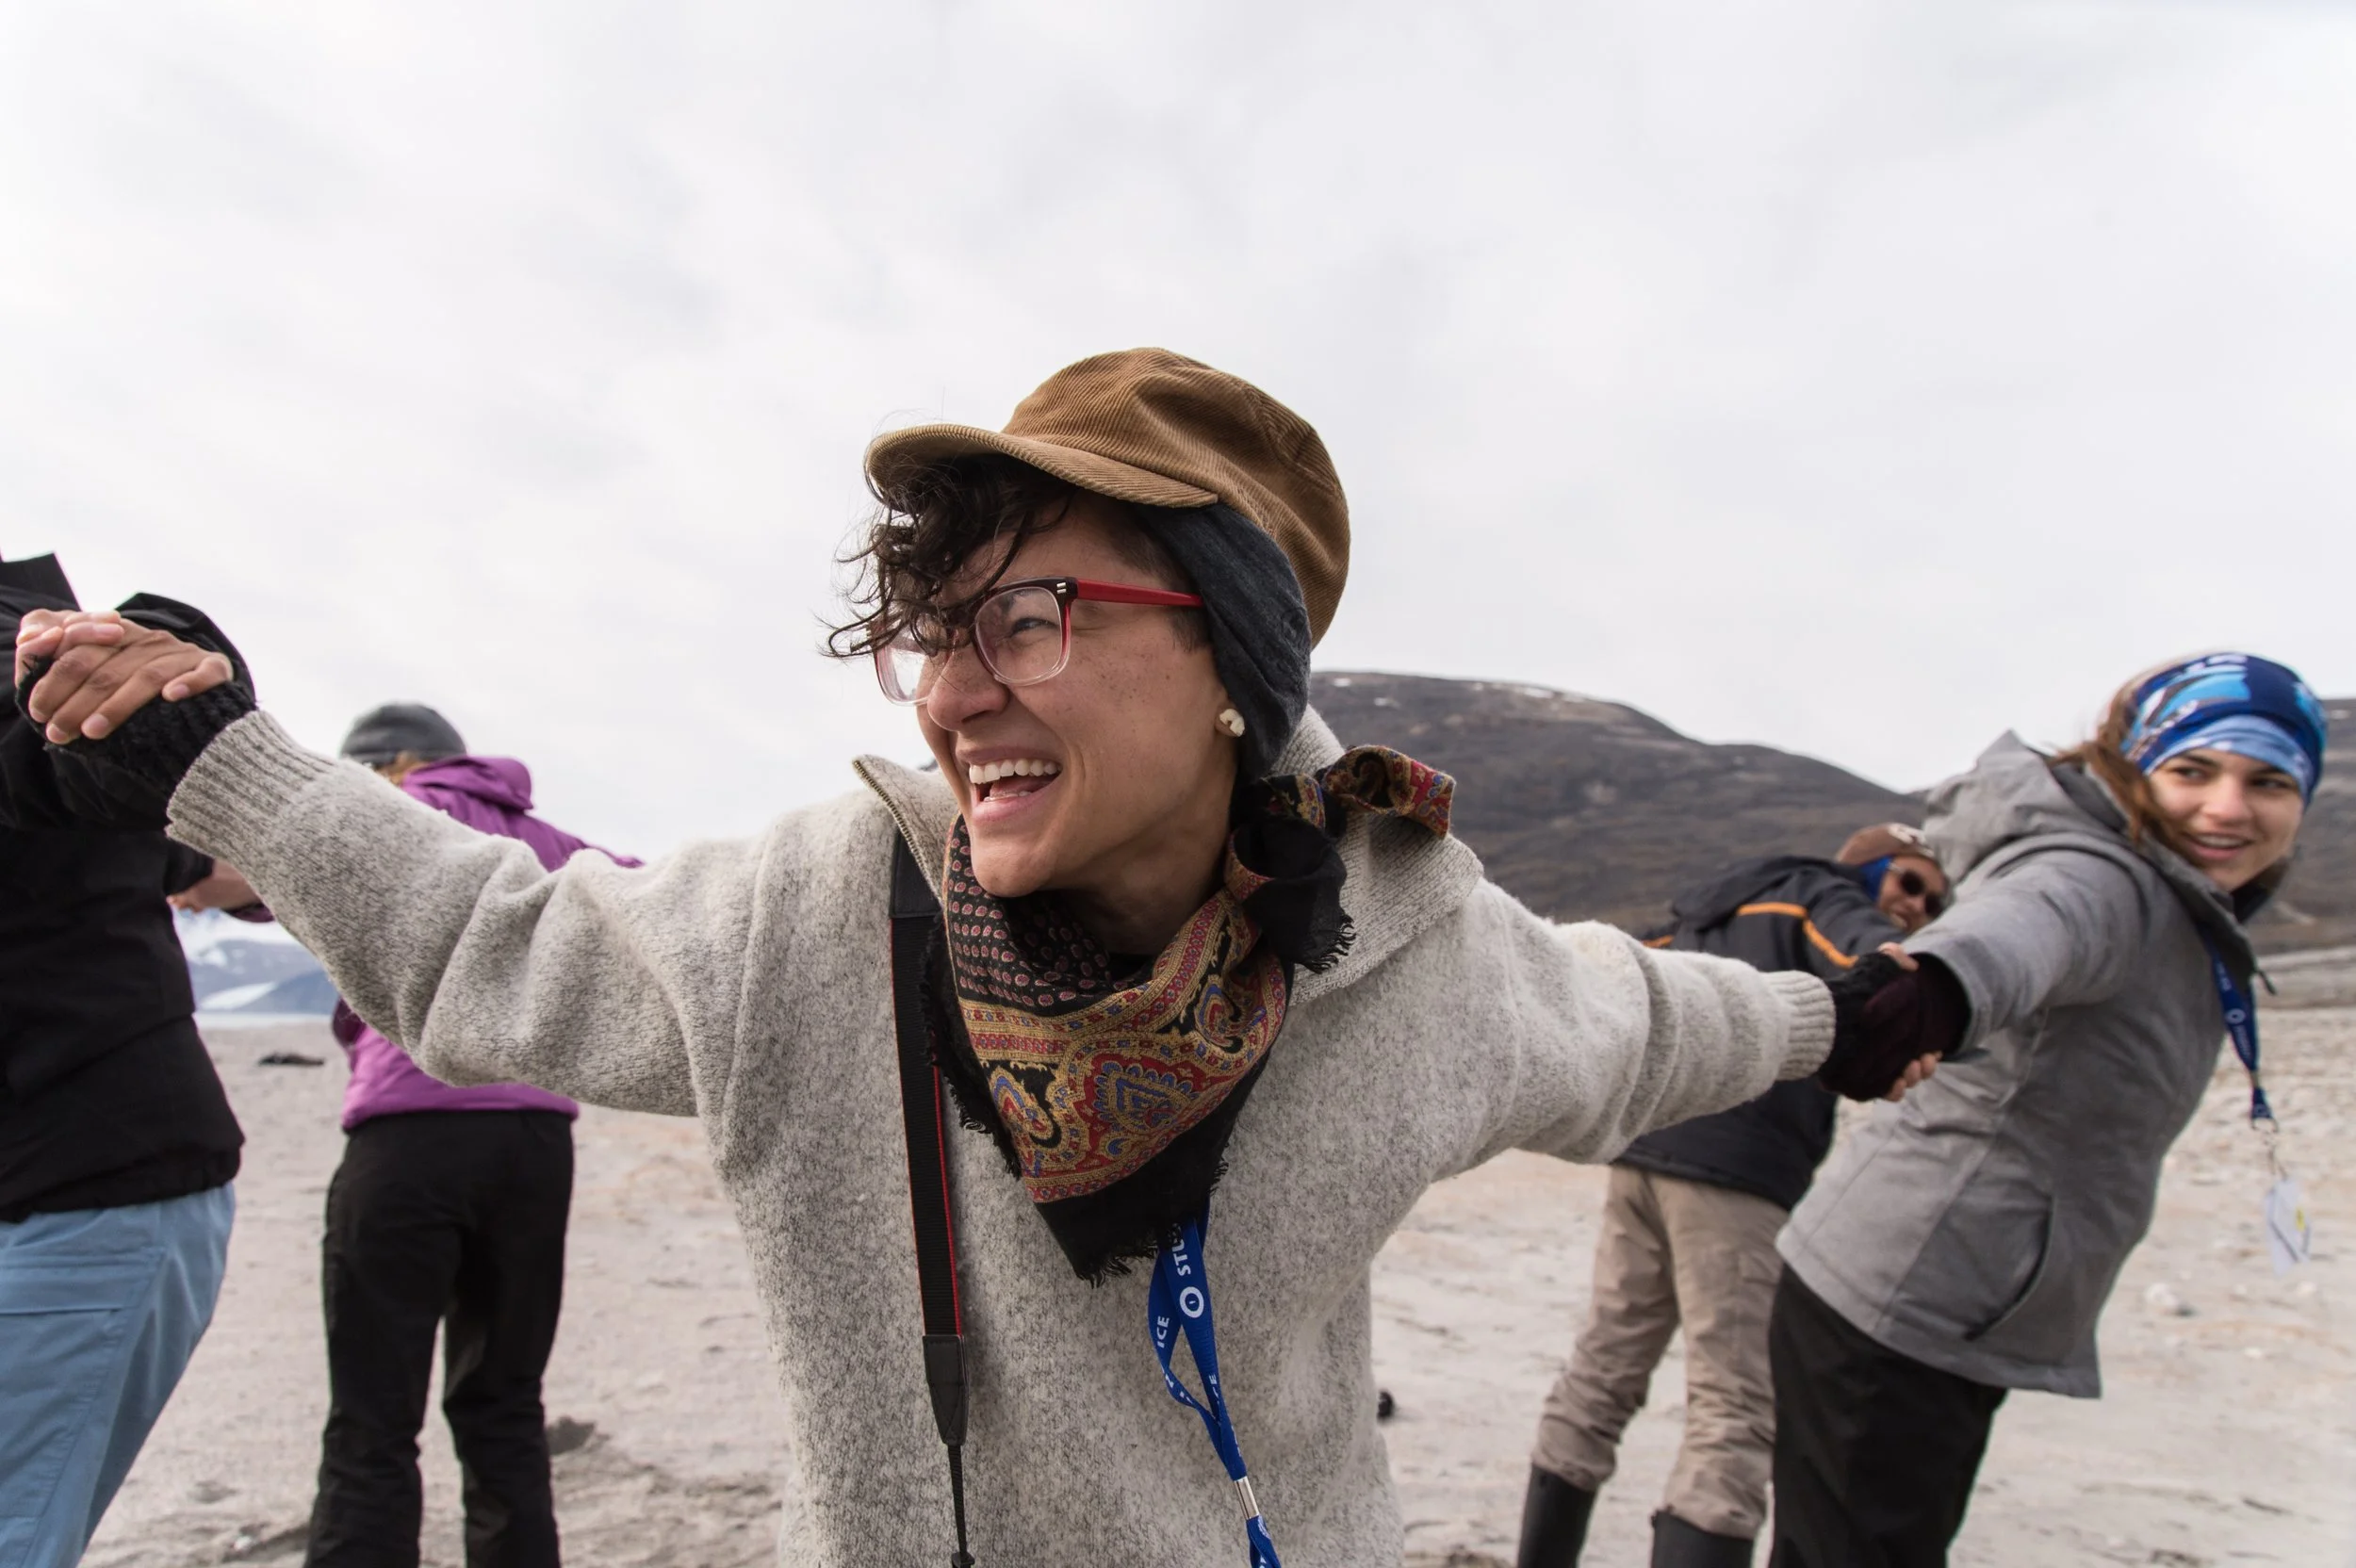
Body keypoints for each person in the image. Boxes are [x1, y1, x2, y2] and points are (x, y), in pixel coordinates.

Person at [13, 350, 1936, 1566]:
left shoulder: (1422, 955)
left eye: (1021, 615)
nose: (946, 693)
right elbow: (502, 939)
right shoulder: (816, 913)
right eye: (925, 630)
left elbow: (1638, 1021)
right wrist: (238, 777)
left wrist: (1836, 1013)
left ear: (1229, 664)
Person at [1765, 653, 2327, 1568]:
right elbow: (2020, 929)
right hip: (1900, 1296)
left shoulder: (2176, 891)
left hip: (1957, 1294)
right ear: (2133, 767)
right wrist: (1931, 990)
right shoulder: (2102, 876)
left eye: (2265, 780)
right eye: (2192, 770)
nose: (2228, 807)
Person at [177, 704, 635, 1568]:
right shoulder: (544, 838)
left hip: (409, 1137)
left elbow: (245, 862)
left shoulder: (388, 812)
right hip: (534, 1141)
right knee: (505, 1407)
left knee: (373, 1417)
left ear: (383, 768)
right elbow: (649, 896)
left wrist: (191, 877)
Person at [1520, 825, 1948, 1568]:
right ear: (1869, 864)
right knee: (1734, 1407)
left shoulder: (1708, 910)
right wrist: (1917, 991)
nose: (1916, 906)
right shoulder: (1821, 895)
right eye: (1909, 883)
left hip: (1645, 1155)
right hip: (1740, 1175)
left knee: (1602, 1370)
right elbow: (1870, 958)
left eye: (1933, 901)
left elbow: (1624, 978)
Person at [0, 553, 241, 1568]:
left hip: (79, 1191)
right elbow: (210, 856)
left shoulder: (32, 648)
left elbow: (76, 742)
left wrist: (172, 646)